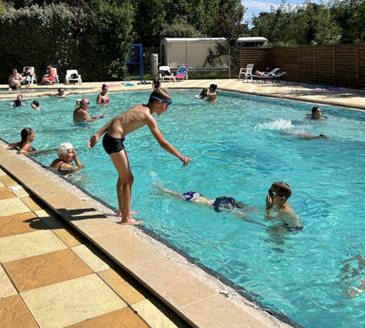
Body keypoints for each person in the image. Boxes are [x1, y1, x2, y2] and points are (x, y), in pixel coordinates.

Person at [88, 87, 191, 225]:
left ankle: (123, 211)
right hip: (114, 141)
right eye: (167, 105)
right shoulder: (148, 117)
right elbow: (163, 143)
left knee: (122, 176)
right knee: (128, 178)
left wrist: (98, 134)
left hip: (110, 139)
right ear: (158, 102)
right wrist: (180, 156)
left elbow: (115, 119)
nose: (167, 109)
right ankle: (126, 219)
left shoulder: (139, 107)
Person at [156, 185, 246, 212]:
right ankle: (160, 190)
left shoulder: (225, 202)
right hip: (199, 199)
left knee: (175, 195)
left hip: (202, 198)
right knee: (176, 196)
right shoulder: (226, 207)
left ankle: (161, 190)